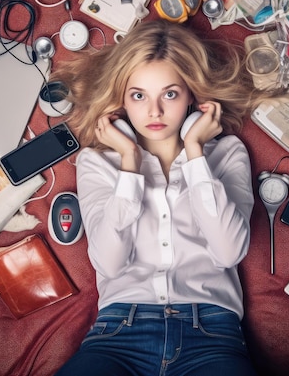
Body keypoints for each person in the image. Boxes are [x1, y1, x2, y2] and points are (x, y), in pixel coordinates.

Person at [52, 19, 271, 376]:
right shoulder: (97, 163)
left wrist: (196, 153)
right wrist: (129, 163)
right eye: (138, 95)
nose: (154, 112)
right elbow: (109, 263)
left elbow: (229, 251)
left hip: (211, 333)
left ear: (191, 95)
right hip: (119, 333)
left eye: (170, 94)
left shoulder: (226, 153)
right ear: (122, 98)